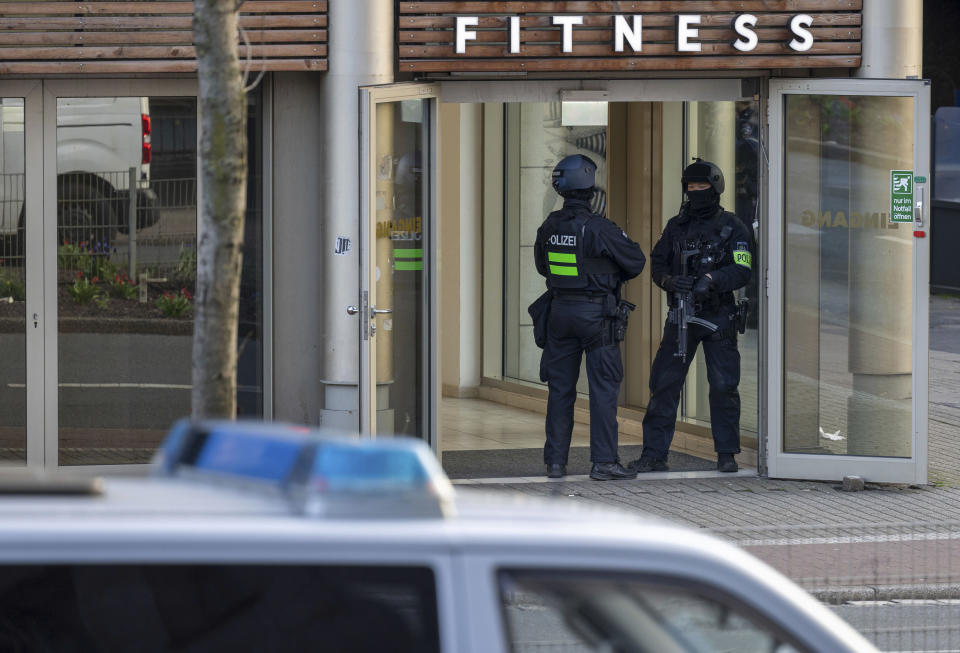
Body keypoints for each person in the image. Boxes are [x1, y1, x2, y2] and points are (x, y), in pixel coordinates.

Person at [630, 159, 754, 474]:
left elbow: (742, 268)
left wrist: (711, 281)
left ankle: (727, 453)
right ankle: (654, 455)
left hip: (718, 315)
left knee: (724, 386)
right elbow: (657, 263)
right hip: (681, 315)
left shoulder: (734, 227)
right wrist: (671, 281)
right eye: (691, 187)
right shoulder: (676, 226)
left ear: (715, 188)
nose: (696, 192)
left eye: (702, 187)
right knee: (664, 385)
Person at [533, 154, 647, 481]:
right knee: (603, 391)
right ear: (589, 187)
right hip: (597, 316)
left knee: (560, 391)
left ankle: (555, 463)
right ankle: (604, 463)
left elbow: (543, 267)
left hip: (559, 315)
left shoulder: (550, 225)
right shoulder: (599, 228)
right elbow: (636, 262)